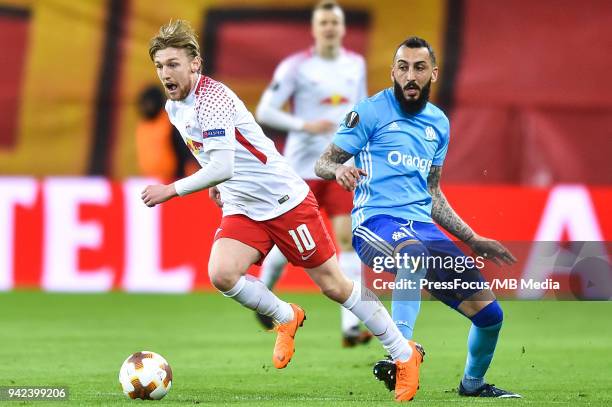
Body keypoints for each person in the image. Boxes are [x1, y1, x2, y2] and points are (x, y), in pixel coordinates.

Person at [141, 19, 423, 402]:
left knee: (334, 286)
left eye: (173, 64)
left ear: (195, 64)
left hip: (284, 202)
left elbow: (223, 164)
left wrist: (171, 190)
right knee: (222, 274)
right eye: (160, 66)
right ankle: (285, 316)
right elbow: (217, 159)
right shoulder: (175, 107)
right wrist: (221, 187)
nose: (165, 74)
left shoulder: (213, 99)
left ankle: (403, 354)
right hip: (244, 206)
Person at [315, 36, 521, 398]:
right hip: (376, 223)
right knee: (413, 253)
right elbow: (323, 161)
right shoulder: (370, 112)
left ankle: (472, 385)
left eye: (420, 68)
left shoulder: (438, 123)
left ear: (434, 73)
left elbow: (433, 193)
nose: (411, 75)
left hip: (424, 230)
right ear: (394, 71)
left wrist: (472, 239)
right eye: (404, 67)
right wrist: (338, 171)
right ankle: (402, 354)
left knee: (491, 317)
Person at [254, 0, 370, 347]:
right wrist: (303, 124)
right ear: (314, 28)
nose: (330, 28)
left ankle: (351, 327)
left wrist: (363, 152)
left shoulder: (356, 65)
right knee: (287, 242)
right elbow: (264, 110)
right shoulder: (296, 67)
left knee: (347, 240)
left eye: (335, 22)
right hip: (299, 170)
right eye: (324, 23)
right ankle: (264, 293)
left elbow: (361, 112)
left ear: (343, 27)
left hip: (338, 167)